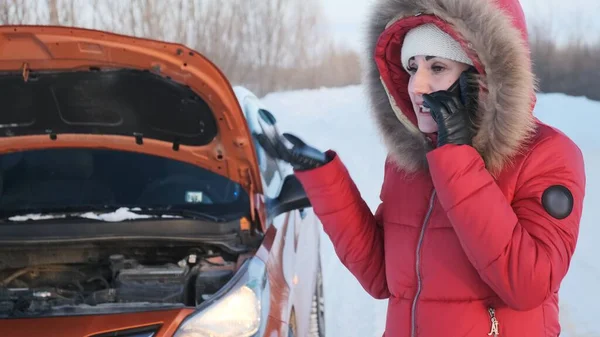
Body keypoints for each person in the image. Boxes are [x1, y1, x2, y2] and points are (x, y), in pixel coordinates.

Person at [259, 0, 586, 335]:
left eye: (438, 68)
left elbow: (527, 284)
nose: (417, 86)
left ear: (484, 76)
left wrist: (457, 158)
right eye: (413, 68)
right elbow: (381, 279)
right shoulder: (414, 159)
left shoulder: (548, 154)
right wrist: (325, 181)